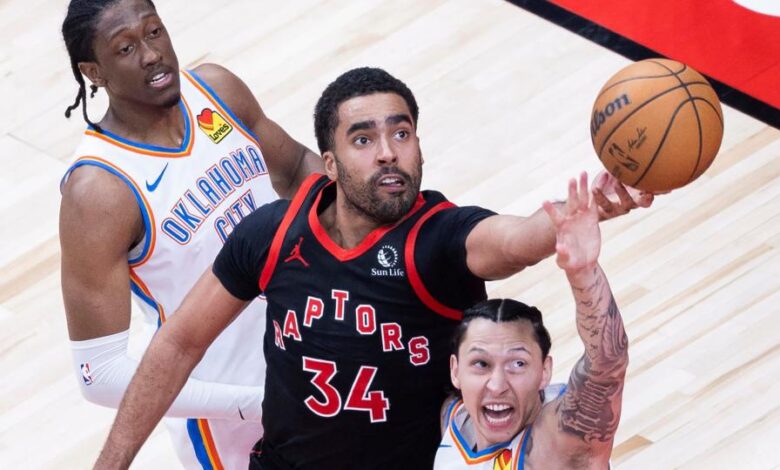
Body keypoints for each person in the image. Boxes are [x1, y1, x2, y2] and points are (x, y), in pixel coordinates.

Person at [93, 67, 651, 469]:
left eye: (401, 133)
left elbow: (519, 238)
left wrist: (591, 208)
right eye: (364, 138)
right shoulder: (274, 234)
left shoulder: (438, 238)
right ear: (329, 165)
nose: (388, 151)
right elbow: (177, 344)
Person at [59, 0, 321, 468]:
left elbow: (300, 166)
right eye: (125, 47)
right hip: (236, 415)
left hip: (323, 348)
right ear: (93, 72)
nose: (151, 54)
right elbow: (98, 374)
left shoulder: (216, 91)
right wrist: (247, 403)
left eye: (154, 32)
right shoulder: (99, 189)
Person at [437, 173, 626, 469]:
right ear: (455, 371)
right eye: (481, 364)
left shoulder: (559, 443)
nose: (497, 384)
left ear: (544, 372)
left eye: (518, 364)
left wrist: (583, 272)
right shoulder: (455, 419)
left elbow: (606, 362)